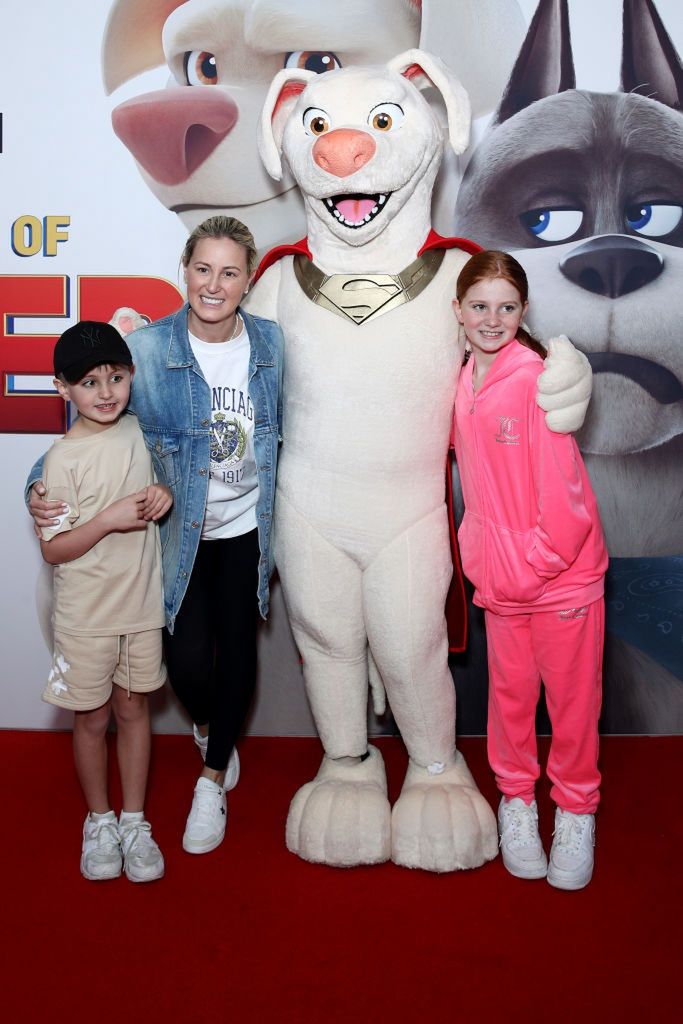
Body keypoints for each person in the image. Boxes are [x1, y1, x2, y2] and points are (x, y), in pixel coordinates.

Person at [28, 216, 284, 856]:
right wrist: (37, 486)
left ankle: (212, 776)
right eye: (203, 269)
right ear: (185, 271)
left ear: (248, 279)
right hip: (179, 535)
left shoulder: (273, 345)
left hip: (249, 524)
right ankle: (206, 726)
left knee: (239, 650)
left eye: (229, 272)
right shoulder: (146, 350)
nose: (214, 284)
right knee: (187, 663)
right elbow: (90, 422)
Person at [452, 250, 608, 890]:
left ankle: (575, 812)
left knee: (571, 709)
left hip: (561, 581)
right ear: (458, 311)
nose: (493, 319)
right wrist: (485, 559)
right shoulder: (462, 381)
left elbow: (567, 508)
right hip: (502, 582)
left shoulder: (536, 379)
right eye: (480, 306)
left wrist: (529, 565)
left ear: (523, 312)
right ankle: (517, 803)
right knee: (510, 703)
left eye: (507, 307)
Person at [39, 321, 172, 882]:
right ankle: (100, 819)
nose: (106, 392)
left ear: (132, 377)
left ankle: (135, 820)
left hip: (141, 607)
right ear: (62, 388)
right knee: (91, 719)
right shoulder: (60, 460)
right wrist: (108, 520)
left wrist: (164, 489)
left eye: (115, 377)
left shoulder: (144, 433)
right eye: (89, 382)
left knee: (133, 709)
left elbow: (171, 475)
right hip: (85, 618)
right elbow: (55, 549)